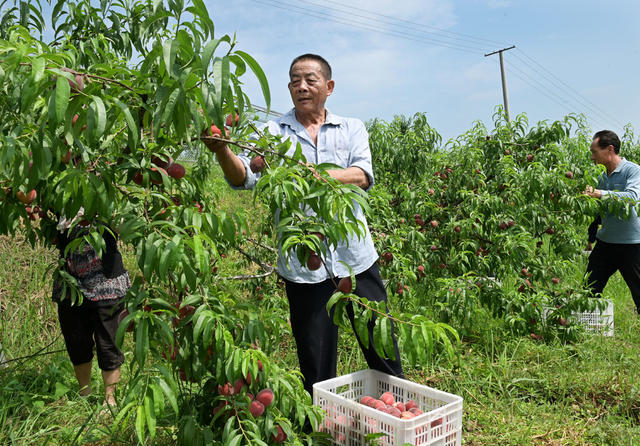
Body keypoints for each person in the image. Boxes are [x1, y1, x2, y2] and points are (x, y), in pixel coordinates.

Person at [203, 54, 403, 394]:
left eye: (310, 79)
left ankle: (400, 409)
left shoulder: (351, 127)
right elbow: (244, 178)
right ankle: (323, 427)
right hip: (304, 265)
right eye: (295, 80)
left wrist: (318, 175)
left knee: (380, 345)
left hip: (354, 258)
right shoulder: (271, 132)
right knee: (316, 357)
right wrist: (222, 151)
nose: (302, 86)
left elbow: (362, 175)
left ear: (329, 86)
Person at [52, 211, 131, 406]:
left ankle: (110, 399)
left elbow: (123, 227)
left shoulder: (105, 195)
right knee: (76, 341)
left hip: (107, 284)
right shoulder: (61, 195)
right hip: (71, 284)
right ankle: (84, 394)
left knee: (108, 344)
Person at [583, 130, 640, 313]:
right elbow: (596, 210)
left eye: (594, 152)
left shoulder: (633, 170)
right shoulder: (600, 175)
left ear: (609, 149)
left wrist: (599, 193)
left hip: (632, 244)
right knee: (589, 288)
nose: (592, 157)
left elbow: (632, 197)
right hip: (606, 242)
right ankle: (586, 326)